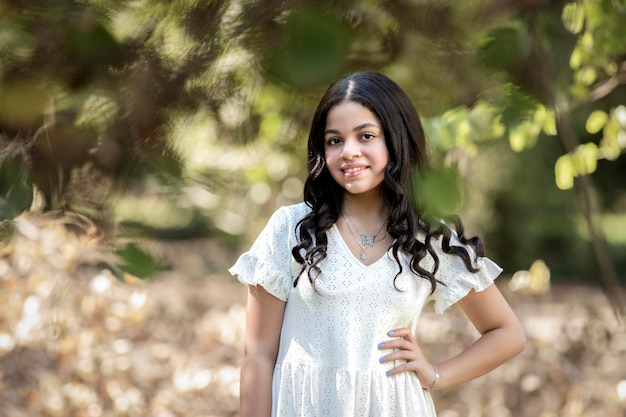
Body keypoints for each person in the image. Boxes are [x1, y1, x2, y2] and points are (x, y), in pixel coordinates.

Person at [229, 71, 526, 417]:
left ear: (396, 141)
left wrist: (436, 375)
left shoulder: (429, 238)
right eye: (334, 141)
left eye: (366, 136)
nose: (349, 152)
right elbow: (258, 355)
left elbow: (507, 333)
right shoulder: (293, 230)